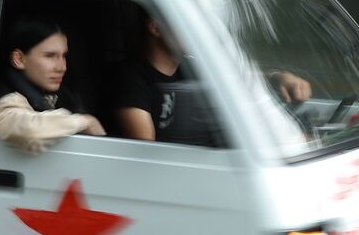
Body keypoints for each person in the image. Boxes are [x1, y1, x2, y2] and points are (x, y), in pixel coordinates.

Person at [113, 13, 312, 143]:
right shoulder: (130, 78)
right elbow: (146, 151)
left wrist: (279, 77)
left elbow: (239, 78)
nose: (196, 31)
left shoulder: (190, 67)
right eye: (185, 23)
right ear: (155, 28)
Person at [0, 19, 105, 154]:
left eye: (64, 56)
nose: (62, 67)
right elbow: (27, 128)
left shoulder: (62, 94)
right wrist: (85, 121)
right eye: (50, 56)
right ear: (19, 59)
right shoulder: (7, 100)